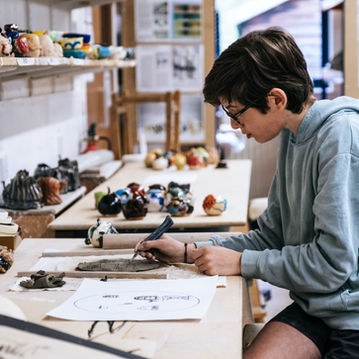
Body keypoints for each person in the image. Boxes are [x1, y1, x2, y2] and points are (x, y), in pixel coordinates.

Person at [135, 27, 359, 358]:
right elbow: (270, 236)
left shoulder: (341, 138)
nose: (234, 126)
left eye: (236, 113)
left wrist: (242, 262)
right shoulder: (293, 137)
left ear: (276, 99)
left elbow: (331, 264)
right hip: (320, 306)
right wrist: (189, 252)